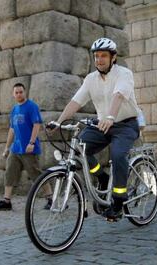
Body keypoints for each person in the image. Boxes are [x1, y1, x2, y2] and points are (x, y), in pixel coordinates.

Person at [50, 38, 140, 221]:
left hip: (125, 124)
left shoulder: (124, 74)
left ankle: (118, 201)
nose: (99, 60)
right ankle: (102, 176)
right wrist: (58, 122)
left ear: (113, 57)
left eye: (103, 56)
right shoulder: (91, 79)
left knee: (117, 155)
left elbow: (119, 96)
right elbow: (76, 101)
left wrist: (110, 117)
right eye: (96, 56)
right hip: (102, 124)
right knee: (80, 147)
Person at [0, 83, 51, 211]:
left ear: (25, 92)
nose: (19, 94)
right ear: (13, 94)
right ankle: (6, 201)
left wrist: (31, 143)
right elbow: (12, 129)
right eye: (16, 92)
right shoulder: (14, 110)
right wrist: (7, 147)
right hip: (16, 149)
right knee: (10, 173)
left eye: (21, 92)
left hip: (29, 149)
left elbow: (37, 125)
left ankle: (51, 199)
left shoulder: (31, 106)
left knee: (36, 174)